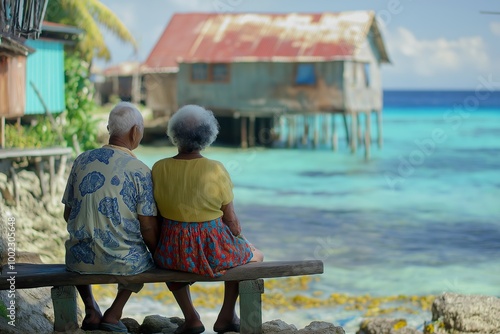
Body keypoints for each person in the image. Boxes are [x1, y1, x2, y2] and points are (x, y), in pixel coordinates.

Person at [152, 105, 264, 334]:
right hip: (212, 251)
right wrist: (242, 241)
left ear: (174, 135)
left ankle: (192, 317)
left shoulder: (159, 168)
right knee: (255, 256)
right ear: (208, 136)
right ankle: (226, 315)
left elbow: (156, 214)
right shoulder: (216, 169)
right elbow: (232, 222)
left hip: (172, 252)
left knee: (169, 259)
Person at [62, 102, 159, 333]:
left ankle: (90, 309)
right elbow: (147, 227)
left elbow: (68, 214)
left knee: (79, 245)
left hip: (78, 260)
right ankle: (114, 314)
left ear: (109, 128)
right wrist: (157, 253)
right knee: (144, 259)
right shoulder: (141, 170)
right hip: (123, 263)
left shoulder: (81, 160)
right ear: (136, 132)